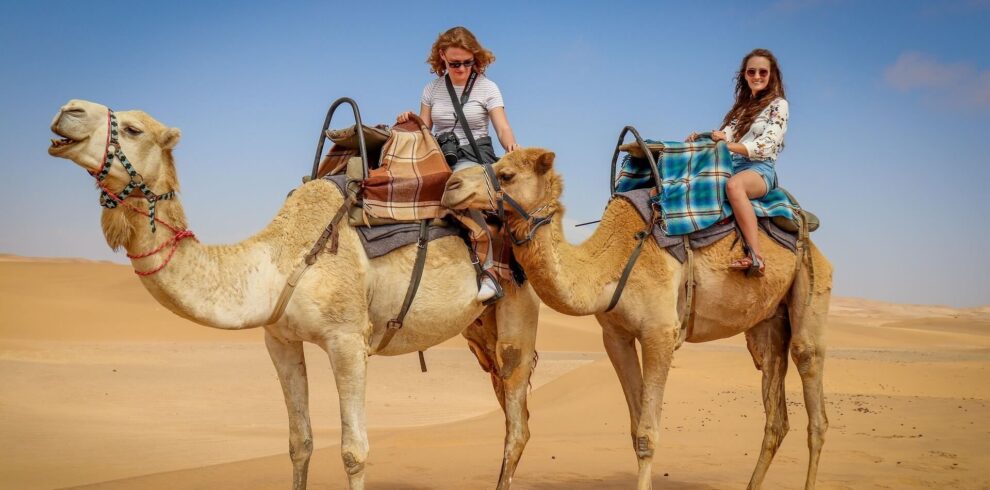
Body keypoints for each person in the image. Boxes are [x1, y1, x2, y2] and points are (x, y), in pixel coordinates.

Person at [397, 26, 519, 302]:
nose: (462, 69)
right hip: (440, 157)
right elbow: (424, 129)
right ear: (442, 57)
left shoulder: (487, 88)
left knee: (459, 189)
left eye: (467, 62)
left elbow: (502, 127)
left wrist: (511, 146)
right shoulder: (432, 89)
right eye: (455, 64)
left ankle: (488, 271)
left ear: (475, 58)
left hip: (474, 159)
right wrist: (410, 119)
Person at [687, 48, 789, 277]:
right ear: (744, 75)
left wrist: (727, 145)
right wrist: (702, 138)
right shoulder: (741, 109)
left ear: (771, 75)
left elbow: (766, 145)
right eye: (751, 72)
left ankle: (756, 257)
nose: (757, 76)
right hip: (731, 165)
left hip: (759, 168)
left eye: (763, 72)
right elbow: (725, 136)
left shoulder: (778, 105)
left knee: (734, 186)